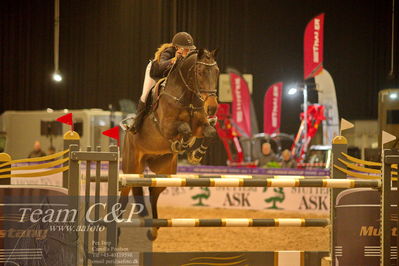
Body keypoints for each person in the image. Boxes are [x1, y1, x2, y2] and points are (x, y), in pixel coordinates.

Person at [130, 32, 196, 133]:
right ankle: (136, 125)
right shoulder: (168, 51)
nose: (188, 52)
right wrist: (174, 60)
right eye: (186, 49)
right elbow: (160, 67)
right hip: (155, 73)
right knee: (145, 95)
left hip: (169, 77)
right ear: (177, 47)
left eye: (190, 49)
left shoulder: (188, 56)